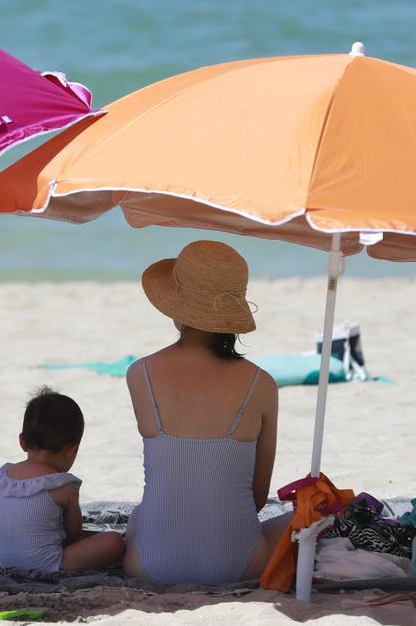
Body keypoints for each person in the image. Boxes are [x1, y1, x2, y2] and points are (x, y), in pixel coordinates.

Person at [123, 240, 291, 584]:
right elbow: (258, 497)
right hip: (240, 564)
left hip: (150, 566)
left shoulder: (139, 374)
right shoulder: (261, 384)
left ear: (177, 308)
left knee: (140, 516)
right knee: (304, 520)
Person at [0, 388, 126, 572]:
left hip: (6, 562)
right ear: (71, 450)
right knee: (114, 541)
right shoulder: (63, 485)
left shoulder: (4, 476)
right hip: (50, 565)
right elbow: (73, 535)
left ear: (22, 441)